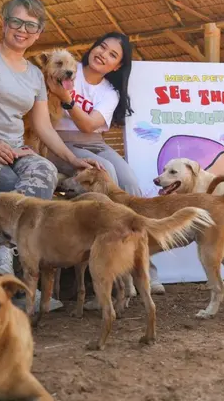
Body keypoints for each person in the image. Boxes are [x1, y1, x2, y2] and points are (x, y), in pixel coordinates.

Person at [0, 0, 96, 309]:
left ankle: (8, 256)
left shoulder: (34, 75)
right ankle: (24, 289)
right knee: (20, 196)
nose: (22, 30)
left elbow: (43, 127)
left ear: (38, 33)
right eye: (16, 21)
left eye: (31, 25)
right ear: (4, 22)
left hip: (14, 150)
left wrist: (71, 159)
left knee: (46, 172)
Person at [46, 32, 165, 295]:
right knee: (105, 172)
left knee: (130, 183)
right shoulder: (66, 67)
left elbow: (89, 124)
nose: (103, 54)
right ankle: (111, 266)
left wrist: (66, 99)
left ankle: (144, 268)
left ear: (117, 66)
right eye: (101, 47)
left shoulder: (109, 92)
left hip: (95, 142)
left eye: (112, 54)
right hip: (59, 143)